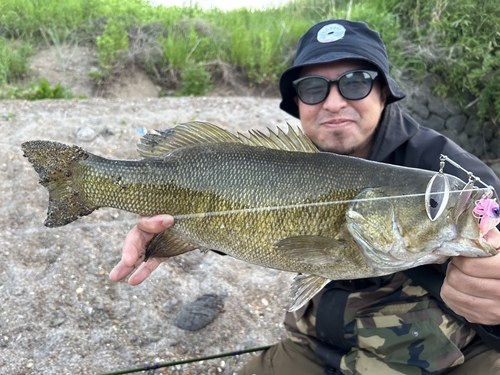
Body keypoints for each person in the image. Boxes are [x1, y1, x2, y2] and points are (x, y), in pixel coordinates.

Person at [109, 20, 500, 374]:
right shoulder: (285, 160)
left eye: (356, 81)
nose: (333, 102)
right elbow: (263, 228)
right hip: (316, 348)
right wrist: (182, 229)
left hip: (449, 360)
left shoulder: (451, 174)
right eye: (313, 88)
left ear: (383, 91)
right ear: (297, 102)